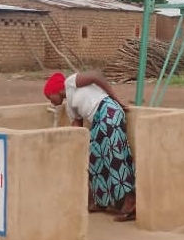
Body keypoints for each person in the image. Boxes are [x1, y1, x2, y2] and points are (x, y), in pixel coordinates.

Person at [43, 70, 136, 222]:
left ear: (56, 90)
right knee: (94, 157)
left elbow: (96, 76)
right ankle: (102, 201)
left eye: (50, 97)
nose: (51, 102)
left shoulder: (71, 82)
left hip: (109, 111)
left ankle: (130, 201)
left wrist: (115, 98)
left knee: (114, 154)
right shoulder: (70, 107)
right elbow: (78, 128)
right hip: (99, 120)